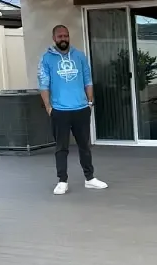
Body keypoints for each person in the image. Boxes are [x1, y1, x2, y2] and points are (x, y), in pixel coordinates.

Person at [38, 24, 107, 195]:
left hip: (81, 109)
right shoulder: (47, 59)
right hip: (59, 111)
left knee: (84, 146)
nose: (63, 39)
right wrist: (48, 107)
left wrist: (90, 102)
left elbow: (87, 79)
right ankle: (62, 181)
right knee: (61, 147)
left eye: (66, 36)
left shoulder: (79, 56)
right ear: (54, 38)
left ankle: (90, 178)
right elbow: (43, 84)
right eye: (60, 36)